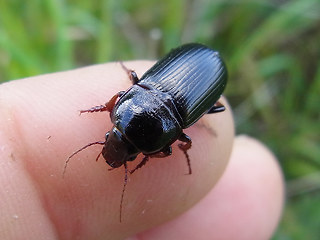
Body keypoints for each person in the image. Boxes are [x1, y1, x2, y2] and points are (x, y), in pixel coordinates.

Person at [0, 61, 284, 239]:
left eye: (131, 153)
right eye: (131, 153)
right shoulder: (133, 108)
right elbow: (162, 144)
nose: (115, 154)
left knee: (200, 124)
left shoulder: (139, 110)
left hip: (192, 72)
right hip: (185, 74)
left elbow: (170, 146)